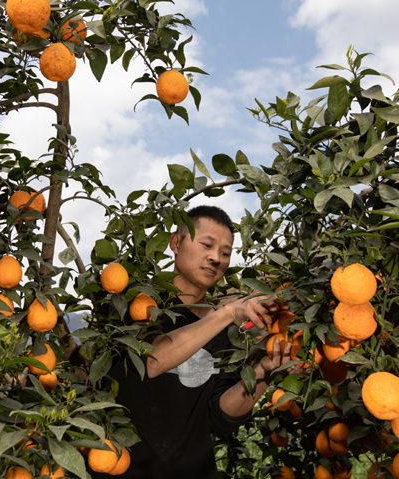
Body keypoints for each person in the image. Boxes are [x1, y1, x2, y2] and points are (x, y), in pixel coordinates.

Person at [91, 205, 293, 479]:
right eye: (206, 245)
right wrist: (227, 312)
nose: (215, 258)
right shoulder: (136, 301)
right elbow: (153, 360)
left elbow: (220, 417)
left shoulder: (226, 329)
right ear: (176, 243)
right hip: (122, 470)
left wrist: (263, 371)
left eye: (224, 252)